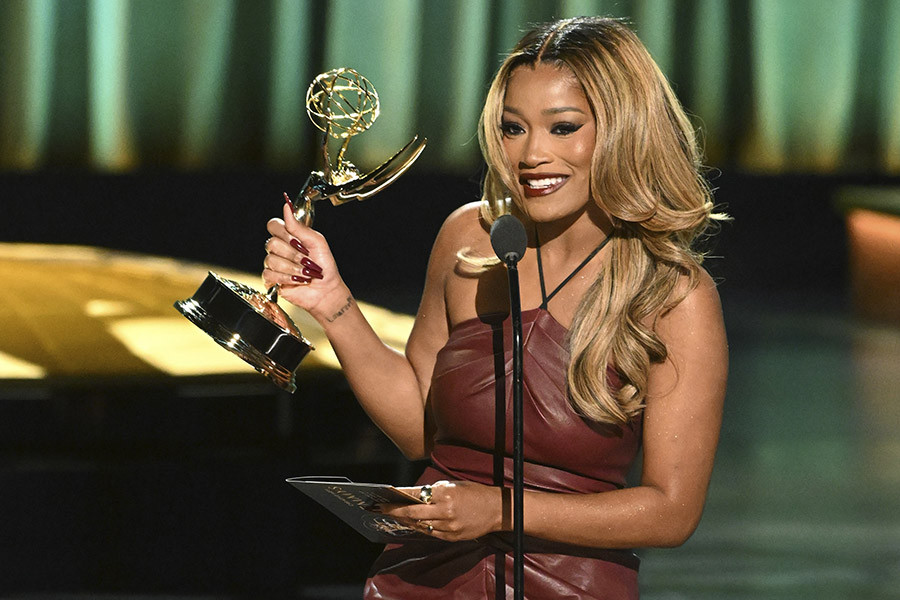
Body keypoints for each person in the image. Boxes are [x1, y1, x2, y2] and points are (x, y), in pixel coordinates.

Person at [263, 16, 728, 599]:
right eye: (513, 128)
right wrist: (333, 304)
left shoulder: (673, 295)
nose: (532, 154)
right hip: (422, 576)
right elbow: (418, 432)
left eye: (563, 127)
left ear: (625, 130)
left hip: (566, 585)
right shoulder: (470, 239)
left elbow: (671, 512)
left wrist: (500, 510)